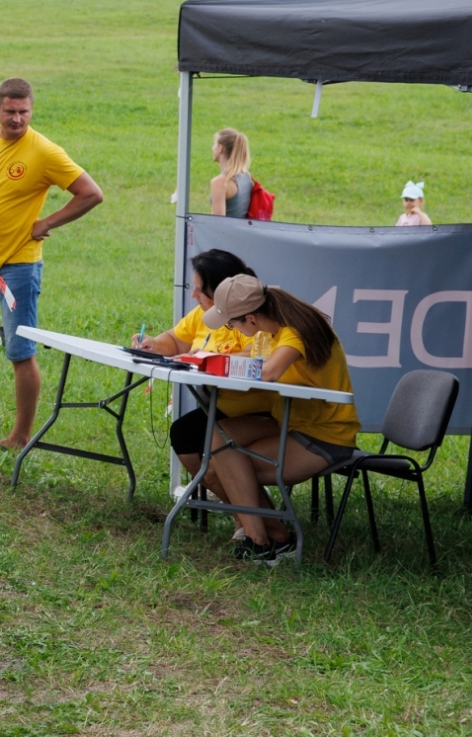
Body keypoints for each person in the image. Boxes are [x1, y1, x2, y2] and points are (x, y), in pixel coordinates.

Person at [0, 78, 104, 446]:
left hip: (19, 265)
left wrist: (46, 223)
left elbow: (92, 193)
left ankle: (21, 435)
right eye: (11, 112)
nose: (17, 119)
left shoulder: (45, 152)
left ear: (31, 110)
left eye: (24, 112)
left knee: (19, 350)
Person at [200, 274, 361, 566]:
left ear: (251, 318)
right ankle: (275, 538)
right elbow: (244, 358)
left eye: (231, 324)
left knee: (228, 464)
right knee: (218, 437)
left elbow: (270, 372)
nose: (231, 329)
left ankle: (261, 542)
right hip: (294, 421)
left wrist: (221, 368)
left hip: (325, 434)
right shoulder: (266, 332)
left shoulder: (296, 331)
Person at [133, 249, 272, 515]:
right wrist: (151, 344)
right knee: (184, 436)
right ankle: (244, 516)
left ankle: (256, 522)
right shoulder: (202, 315)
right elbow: (174, 341)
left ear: (221, 292)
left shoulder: (248, 316)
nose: (193, 295)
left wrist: (211, 358)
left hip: (257, 409)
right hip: (221, 407)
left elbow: (260, 355)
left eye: (200, 290)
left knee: (212, 446)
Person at [210, 128, 253, 218]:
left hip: (226, 232)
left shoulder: (220, 183)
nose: (212, 148)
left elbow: (216, 224)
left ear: (220, 148)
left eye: (215, 144)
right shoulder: (246, 176)